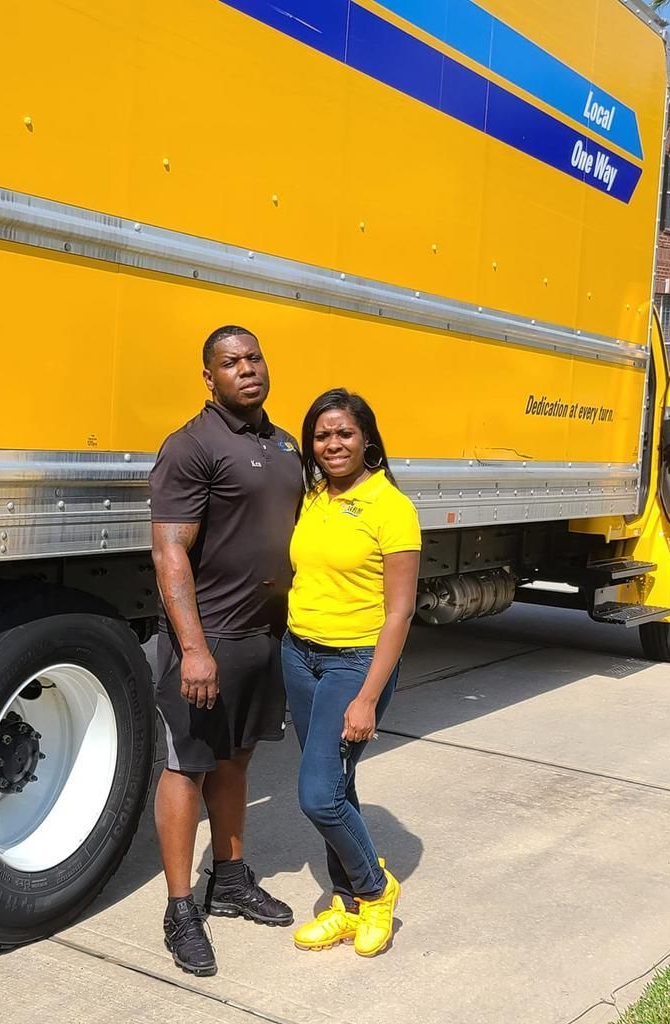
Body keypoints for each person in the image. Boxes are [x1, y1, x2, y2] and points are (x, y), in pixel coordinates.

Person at [149, 325, 303, 977]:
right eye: (231, 363)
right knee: (188, 765)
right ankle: (181, 908)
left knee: (237, 760)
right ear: (208, 378)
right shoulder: (191, 446)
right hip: (209, 639)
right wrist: (194, 649)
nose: (248, 370)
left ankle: (231, 880)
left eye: (255, 358)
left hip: (263, 640)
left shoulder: (285, 442)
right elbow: (169, 550)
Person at [281, 388, 420, 958]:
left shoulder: (392, 508)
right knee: (340, 784)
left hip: (354, 662)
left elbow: (400, 611)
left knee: (317, 796)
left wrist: (365, 698)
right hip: (299, 654)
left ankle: (375, 889)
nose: (332, 444)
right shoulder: (314, 497)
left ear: (367, 439)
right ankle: (346, 904)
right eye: (321, 435)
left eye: (343, 433)